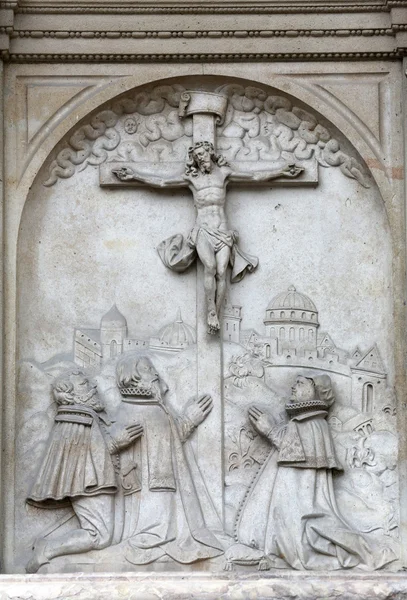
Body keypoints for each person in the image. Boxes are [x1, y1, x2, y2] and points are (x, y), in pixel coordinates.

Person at [114, 141, 302, 334]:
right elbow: (163, 182)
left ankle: (216, 312)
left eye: (203, 154)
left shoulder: (224, 174)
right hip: (203, 231)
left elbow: (254, 177)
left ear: (210, 153)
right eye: (197, 156)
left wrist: (281, 171)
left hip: (223, 233)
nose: (200, 158)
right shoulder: (192, 180)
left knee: (222, 272)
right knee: (210, 267)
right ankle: (210, 311)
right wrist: (134, 176)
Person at [226, 374, 396, 571]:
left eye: (301, 383)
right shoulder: (303, 421)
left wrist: (270, 429)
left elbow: (295, 456)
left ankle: (371, 553)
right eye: (294, 381)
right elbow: (289, 449)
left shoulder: (313, 423)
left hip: (302, 503)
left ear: (316, 390)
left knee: (313, 532)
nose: (294, 386)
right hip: (292, 499)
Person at [26, 370, 143, 573]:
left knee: (109, 536)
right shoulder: (78, 417)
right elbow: (86, 453)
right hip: (90, 482)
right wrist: (116, 441)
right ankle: (47, 550)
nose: (94, 387)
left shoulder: (84, 415)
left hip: (95, 480)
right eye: (85, 385)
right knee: (99, 535)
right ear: (72, 395)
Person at [113, 352, 224, 565]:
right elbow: (171, 436)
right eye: (147, 369)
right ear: (133, 378)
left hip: (154, 491)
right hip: (150, 494)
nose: (155, 373)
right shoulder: (140, 410)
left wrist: (189, 419)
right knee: (159, 531)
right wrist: (190, 419)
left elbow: (170, 437)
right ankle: (157, 538)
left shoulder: (151, 408)